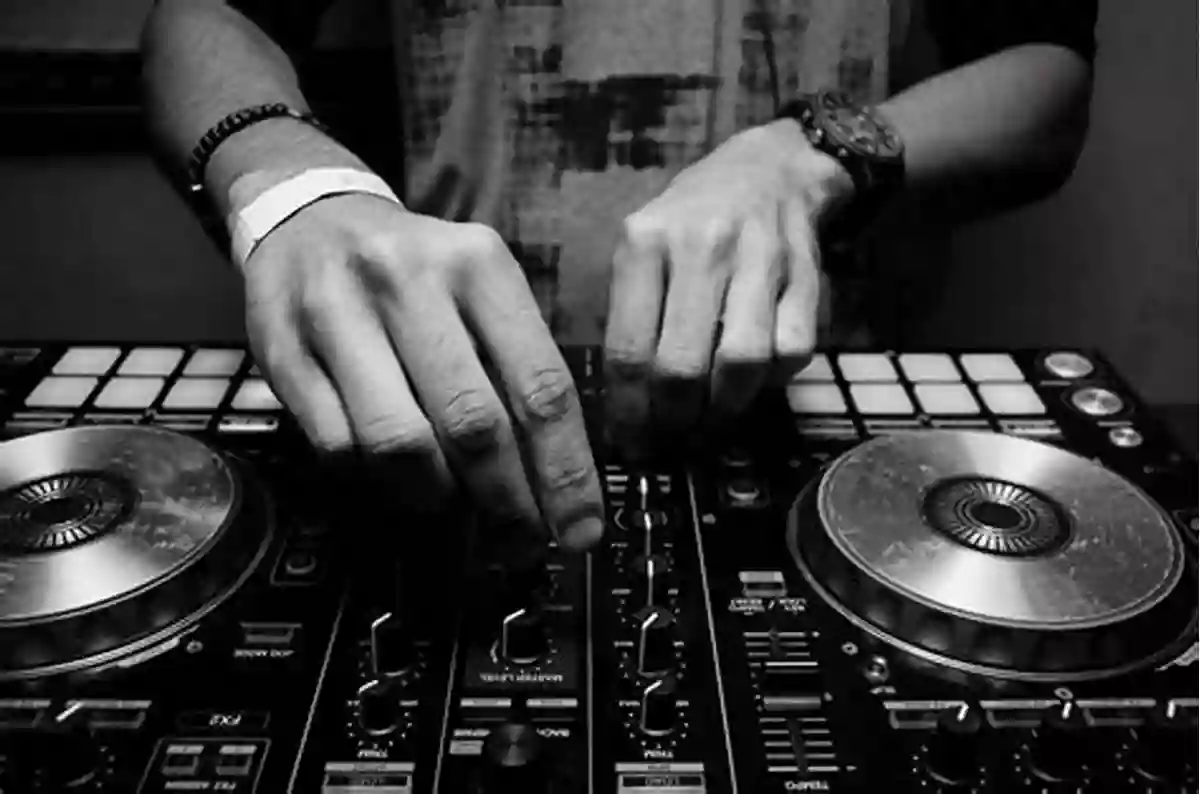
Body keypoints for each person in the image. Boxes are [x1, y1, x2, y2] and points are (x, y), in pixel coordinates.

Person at [140, 0, 1097, 564]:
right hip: (416, 394)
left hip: (815, 408)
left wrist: (813, 155)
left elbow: (1047, 75)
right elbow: (200, 12)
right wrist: (293, 189)